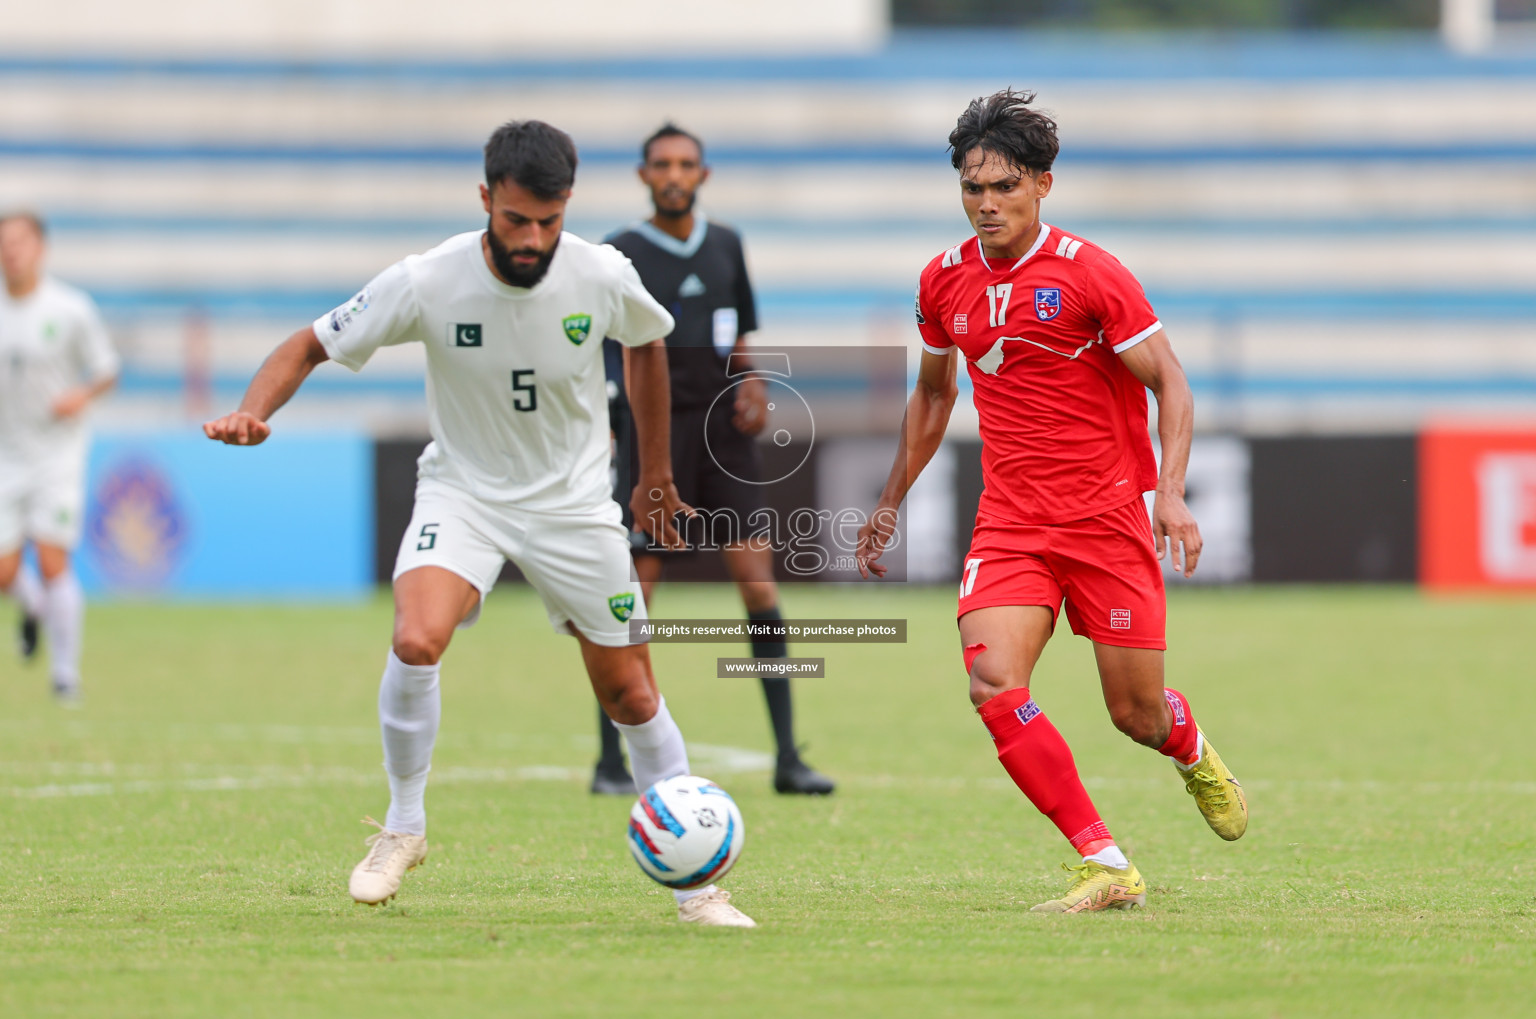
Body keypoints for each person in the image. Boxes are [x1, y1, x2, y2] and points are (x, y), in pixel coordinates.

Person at [203, 121, 755, 927]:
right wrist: (254, 411)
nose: (533, 239)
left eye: (550, 220)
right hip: (464, 494)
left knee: (630, 694)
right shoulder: (428, 280)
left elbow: (646, 346)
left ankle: (697, 890)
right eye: (516, 220)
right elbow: (309, 343)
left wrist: (655, 477)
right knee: (417, 638)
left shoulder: (600, 273)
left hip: (572, 505)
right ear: (486, 199)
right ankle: (402, 828)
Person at [856, 90, 1247, 914]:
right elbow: (932, 398)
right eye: (973, 188)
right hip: (1012, 522)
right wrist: (890, 499)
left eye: (1004, 187)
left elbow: (1169, 382)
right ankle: (1105, 861)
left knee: (1134, 714)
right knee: (993, 681)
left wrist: (1168, 494)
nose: (987, 204)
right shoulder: (943, 282)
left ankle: (1188, 746)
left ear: (1042, 185)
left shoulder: (1089, 274)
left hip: (1105, 519)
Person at [591, 124, 834, 797]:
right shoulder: (619, 253)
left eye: (686, 164)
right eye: (662, 164)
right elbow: (608, 348)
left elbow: (739, 336)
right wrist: (614, 424)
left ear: (704, 174)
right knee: (634, 595)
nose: (674, 174)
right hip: (652, 431)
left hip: (724, 435)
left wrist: (753, 383)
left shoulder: (727, 245)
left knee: (758, 587)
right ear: (643, 175)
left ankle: (788, 756)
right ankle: (610, 762)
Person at [0, 211, 119, 703]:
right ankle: (33, 609)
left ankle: (65, 678)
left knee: (53, 561)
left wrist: (81, 395)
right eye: (5, 245)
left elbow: (107, 368)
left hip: (56, 455)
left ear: (40, 249)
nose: (12, 253)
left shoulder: (70, 309)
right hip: (6, 455)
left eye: (19, 243)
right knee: (5, 572)